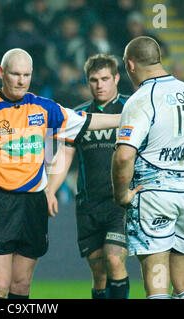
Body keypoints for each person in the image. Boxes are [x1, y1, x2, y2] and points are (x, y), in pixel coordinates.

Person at [0, 48, 121, 299]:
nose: (21, 80)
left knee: (21, 286)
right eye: (15, 74)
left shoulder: (43, 108)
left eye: (26, 74)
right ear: (1, 73)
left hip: (33, 203)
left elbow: (87, 121)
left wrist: (129, 118)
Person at [111, 36, 184, 299]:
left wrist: (121, 194)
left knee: (156, 281)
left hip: (153, 199)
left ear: (130, 65)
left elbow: (124, 156)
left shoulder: (141, 100)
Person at [45, 54, 130, 299]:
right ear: (87, 82)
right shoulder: (79, 116)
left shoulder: (131, 109)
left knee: (114, 259)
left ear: (116, 78)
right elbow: (65, 154)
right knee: (98, 270)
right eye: (94, 80)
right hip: (88, 204)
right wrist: (50, 189)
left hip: (120, 203)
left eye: (105, 79)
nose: (100, 85)